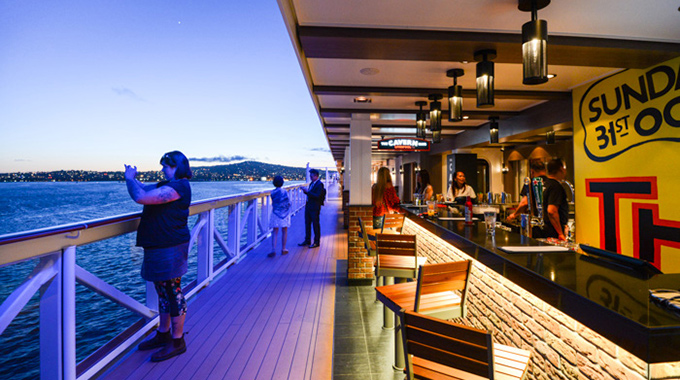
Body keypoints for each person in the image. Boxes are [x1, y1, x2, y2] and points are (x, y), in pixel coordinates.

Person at [125, 151, 192, 362]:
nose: (163, 168)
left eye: (167, 166)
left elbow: (140, 197)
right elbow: (143, 189)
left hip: (171, 246)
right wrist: (134, 180)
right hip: (159, 245)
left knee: (173, 291)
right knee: (162, 291)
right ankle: (163, 334)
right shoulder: (167, 184)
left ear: (178, 167)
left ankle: (178, 340)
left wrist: (129, 178)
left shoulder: (179, 186)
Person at [541, 158, 569, 240]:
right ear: (561, 169)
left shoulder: (546, 184)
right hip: (553, 231)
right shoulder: (556, 186)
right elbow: (552, 211)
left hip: (545, 229)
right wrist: (560, 233)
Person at [299, 169, 325, 248]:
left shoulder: (319, 184)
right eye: (310, 175)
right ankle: (307, 240)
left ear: (316, 176)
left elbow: (317, 196)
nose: (310, 177)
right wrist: (305, 191)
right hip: (308, 206)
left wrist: (307, 192)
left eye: (312, 176)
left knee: (315, 224)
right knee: (307, 224)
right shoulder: (312, 184)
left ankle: (317, 242)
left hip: (315, 207)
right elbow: (311, 194)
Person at [268, 175, 291, 257]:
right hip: (284, 213)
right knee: (284, 230)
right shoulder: (285, 192)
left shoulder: (272, 192)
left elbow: (274, 202)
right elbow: (288, 202)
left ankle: (273, 249)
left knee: (275, 231)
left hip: (275, 213)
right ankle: (283, 248)